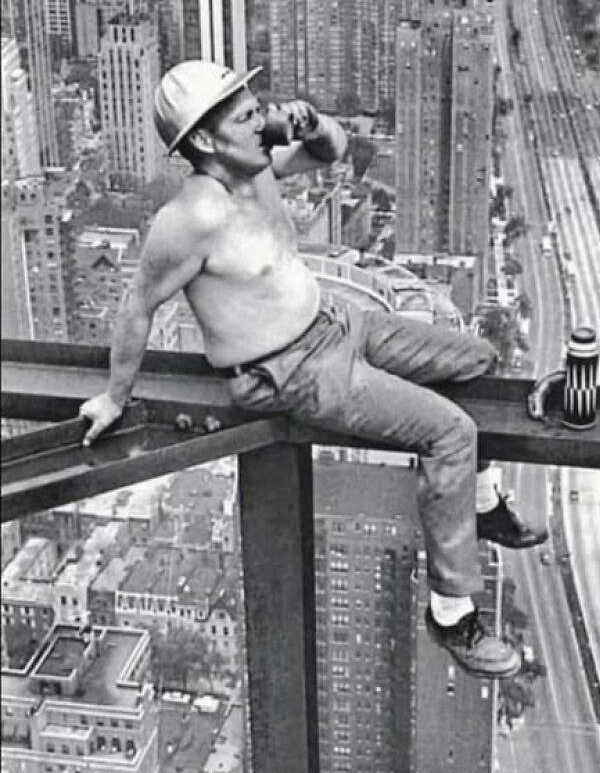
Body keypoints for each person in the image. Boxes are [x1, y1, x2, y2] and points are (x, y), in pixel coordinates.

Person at [80, 60, 547, 680]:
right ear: (201, 140)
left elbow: (334, 149)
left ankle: (481, 504)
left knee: (475, 361)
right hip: (289, 371)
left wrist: (312, 121)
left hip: (336, 323)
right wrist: (115, 397)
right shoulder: (189, 221)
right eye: (245, 115)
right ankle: (452, 610)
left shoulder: (259, 169)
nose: (261, 118)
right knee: (450, 432)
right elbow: (137, 304)